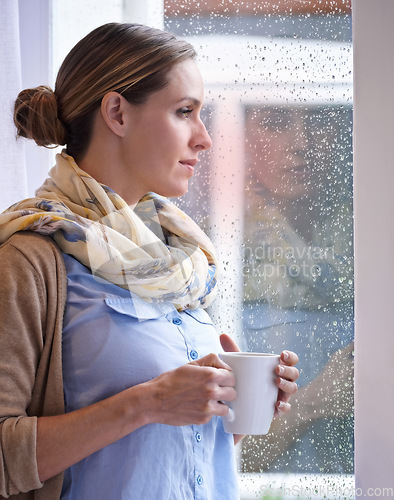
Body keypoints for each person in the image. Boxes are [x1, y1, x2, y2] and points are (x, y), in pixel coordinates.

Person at [0, 23, 299, 500]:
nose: (204, 138)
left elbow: (167, 451)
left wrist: (233, 404)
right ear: (117, 112)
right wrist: (149, 402)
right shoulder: (29, 259)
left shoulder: (176, 258)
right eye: (185, 112)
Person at [241, 106, 354, 473]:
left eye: (320, 120)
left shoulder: (375, 238)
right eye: (276, 122)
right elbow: (214, 457)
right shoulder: (215, 257)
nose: (301, 144)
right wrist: (314, 401)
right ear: (242, 137)